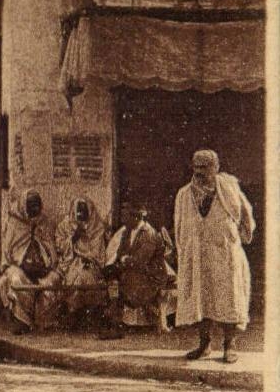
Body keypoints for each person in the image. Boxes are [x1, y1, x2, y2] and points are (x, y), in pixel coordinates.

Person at [174, 149, 255, 363]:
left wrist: (241, 237)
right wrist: (185, 252)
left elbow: (246, 216)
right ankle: (205, 344)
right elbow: (179, 225)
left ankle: (230, 346)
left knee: (229, 297)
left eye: (205, 167)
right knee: (201, 299)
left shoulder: (230, 189)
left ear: (216, 167)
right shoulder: (184, 194)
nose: (200, 172)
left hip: (225, 254)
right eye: (197, 167)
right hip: (198, 255)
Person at [103, 199, 175, 334]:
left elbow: (140, 261)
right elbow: (121, 252)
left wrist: (124, 260)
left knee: (120, 286)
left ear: (136, 217)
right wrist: (122, 261)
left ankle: (116, 323)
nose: (123, 220)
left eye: (126, 217)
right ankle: (115, 324)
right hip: (136, 272)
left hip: (151, 277)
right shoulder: (127, 232)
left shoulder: (149, 234)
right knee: (111, 278)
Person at [0, 191, 60, 333]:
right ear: (24, 205)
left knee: (53, 279)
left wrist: (46, 261)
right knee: (17, 279)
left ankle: (41, 320)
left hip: (41, 268)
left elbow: (50, 249)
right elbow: (8, 252)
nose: (35, 208)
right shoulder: (14, 223)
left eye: (37, 205)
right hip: (18, 266)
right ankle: (23, 320)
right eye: (31, 205)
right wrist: (21, 261)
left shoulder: (44, 223)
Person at [54, 197, 109, 324]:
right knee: (75, 276)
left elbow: (99, 250)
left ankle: (89, 313)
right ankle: (73, 311)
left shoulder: (97, 226)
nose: (81, 214)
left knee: (87, 277)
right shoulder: (65, 225)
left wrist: (90, 259)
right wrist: (74, 237)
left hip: (92, 263)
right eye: (79, 210)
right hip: (71, 262)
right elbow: (59, 245)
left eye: (84, 211)